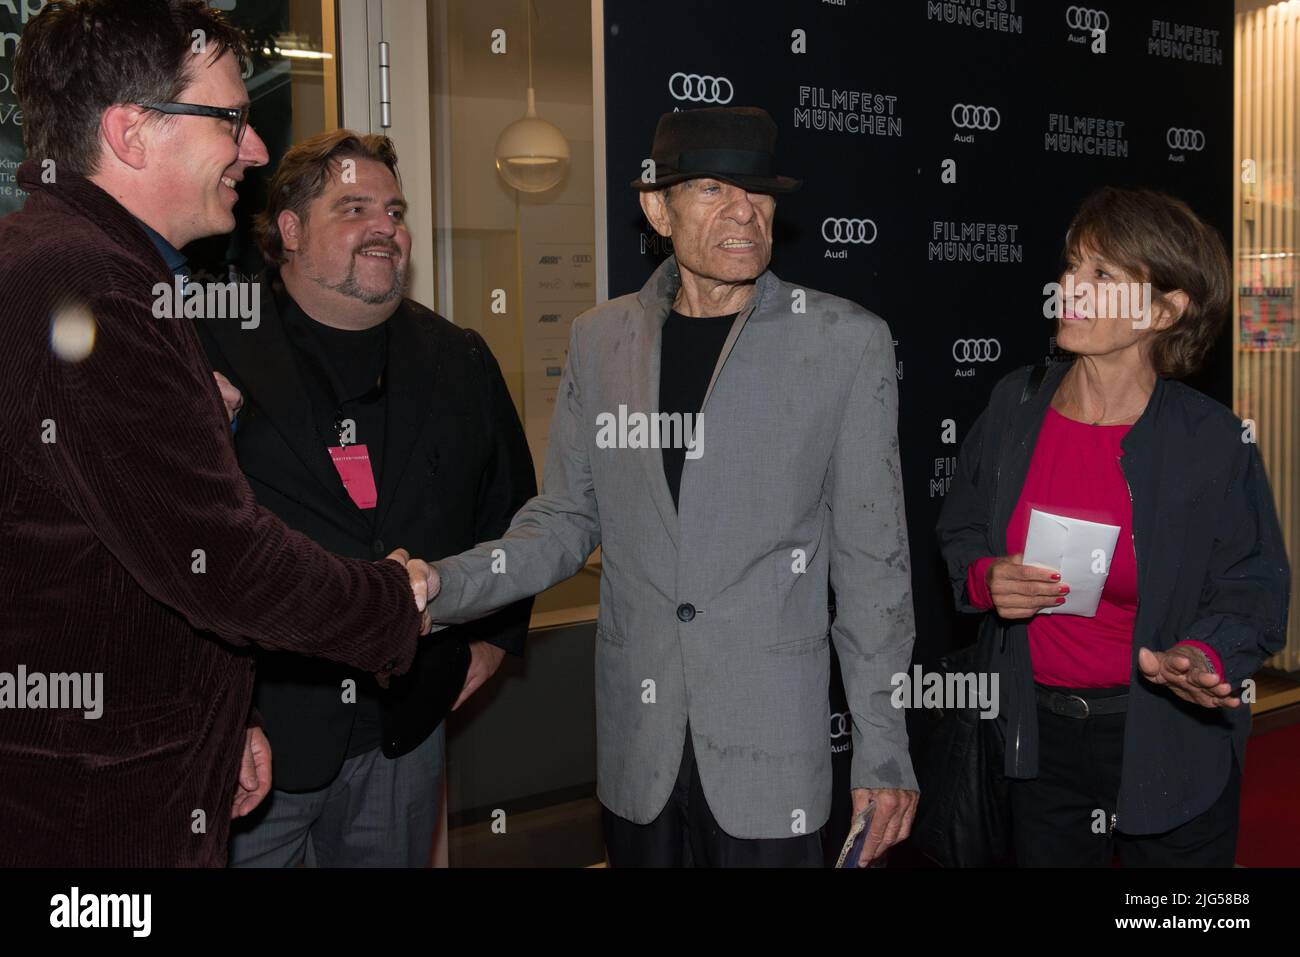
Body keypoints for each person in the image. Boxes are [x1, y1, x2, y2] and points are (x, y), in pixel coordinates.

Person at [420, 106, 919, 867]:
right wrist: (437, 586)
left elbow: (873, 568)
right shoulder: (599, 339)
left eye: (757, 192)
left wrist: (882, 753)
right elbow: (563, 518)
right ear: (657, 206)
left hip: (772, 756)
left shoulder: (845, 342)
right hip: (637, 748)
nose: (742, 213)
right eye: (712, 188)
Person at [0, 0, 437, 866]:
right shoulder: (90, 288)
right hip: (93, 811)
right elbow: (219, 561)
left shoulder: (71, 264)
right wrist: (391, 601)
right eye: (231, 119)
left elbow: (117, 559)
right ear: (130, 132)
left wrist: (223, 719)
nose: (256, 148)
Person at [198, 130, 535, 867]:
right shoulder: (207, 344)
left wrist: (490, 641)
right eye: (354, 207)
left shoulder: (459, 357)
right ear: (289, 229)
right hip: (256, 747)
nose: (386, 225)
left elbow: (512, 511)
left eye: (394, 208)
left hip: (403, 736)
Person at [937, 186, 1290, 867]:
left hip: (1166, 737)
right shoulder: (1016, 404)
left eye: (1103, 275)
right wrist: (986, 578)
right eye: (1072, 266)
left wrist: (1204, 654)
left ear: (1165, 309)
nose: (1070, 286)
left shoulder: (1210, 439)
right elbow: (963, 529)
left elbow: (1254, 584)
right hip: (1036, 744)